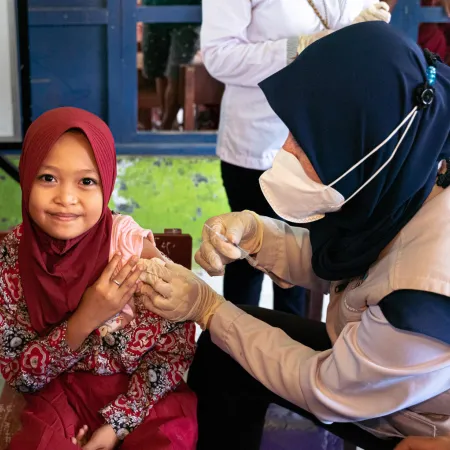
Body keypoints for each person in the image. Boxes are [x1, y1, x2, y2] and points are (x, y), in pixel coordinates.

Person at [139, 22, 450, 450]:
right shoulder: (406, 175)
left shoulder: (422, 298)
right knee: (223, 351)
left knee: (229, 338)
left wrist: (208, 308)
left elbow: (326, 389)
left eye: (306, 141)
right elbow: (352, 262)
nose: (284, 150)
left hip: (405, 417)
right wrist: (256, 236)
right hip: (365, 357)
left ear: (363, 146)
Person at [1, 107, 197, 450]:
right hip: (56, 391)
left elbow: (174, 352)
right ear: (27, 175)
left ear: (106, 183)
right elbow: (21, 375)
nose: (66, 198)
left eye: (86, 181)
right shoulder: (9, 259)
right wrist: (87, 317)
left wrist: (116, 425)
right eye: (47, 177)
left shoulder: (132, 251)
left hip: (142, 395)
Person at [200, 0, 391, 316]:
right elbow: (220, 56)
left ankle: (298, 356)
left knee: (308, 264)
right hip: (261, 144)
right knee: (247, 258)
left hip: (329, 142)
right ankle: (231, 352)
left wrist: (368, 28)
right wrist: (297, 47)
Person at [142, 0, 201, 130]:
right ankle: (167, 122)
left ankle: (166, 126)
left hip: (187, 14)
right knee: (159, 70)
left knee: (176, 74)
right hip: (154, 11)